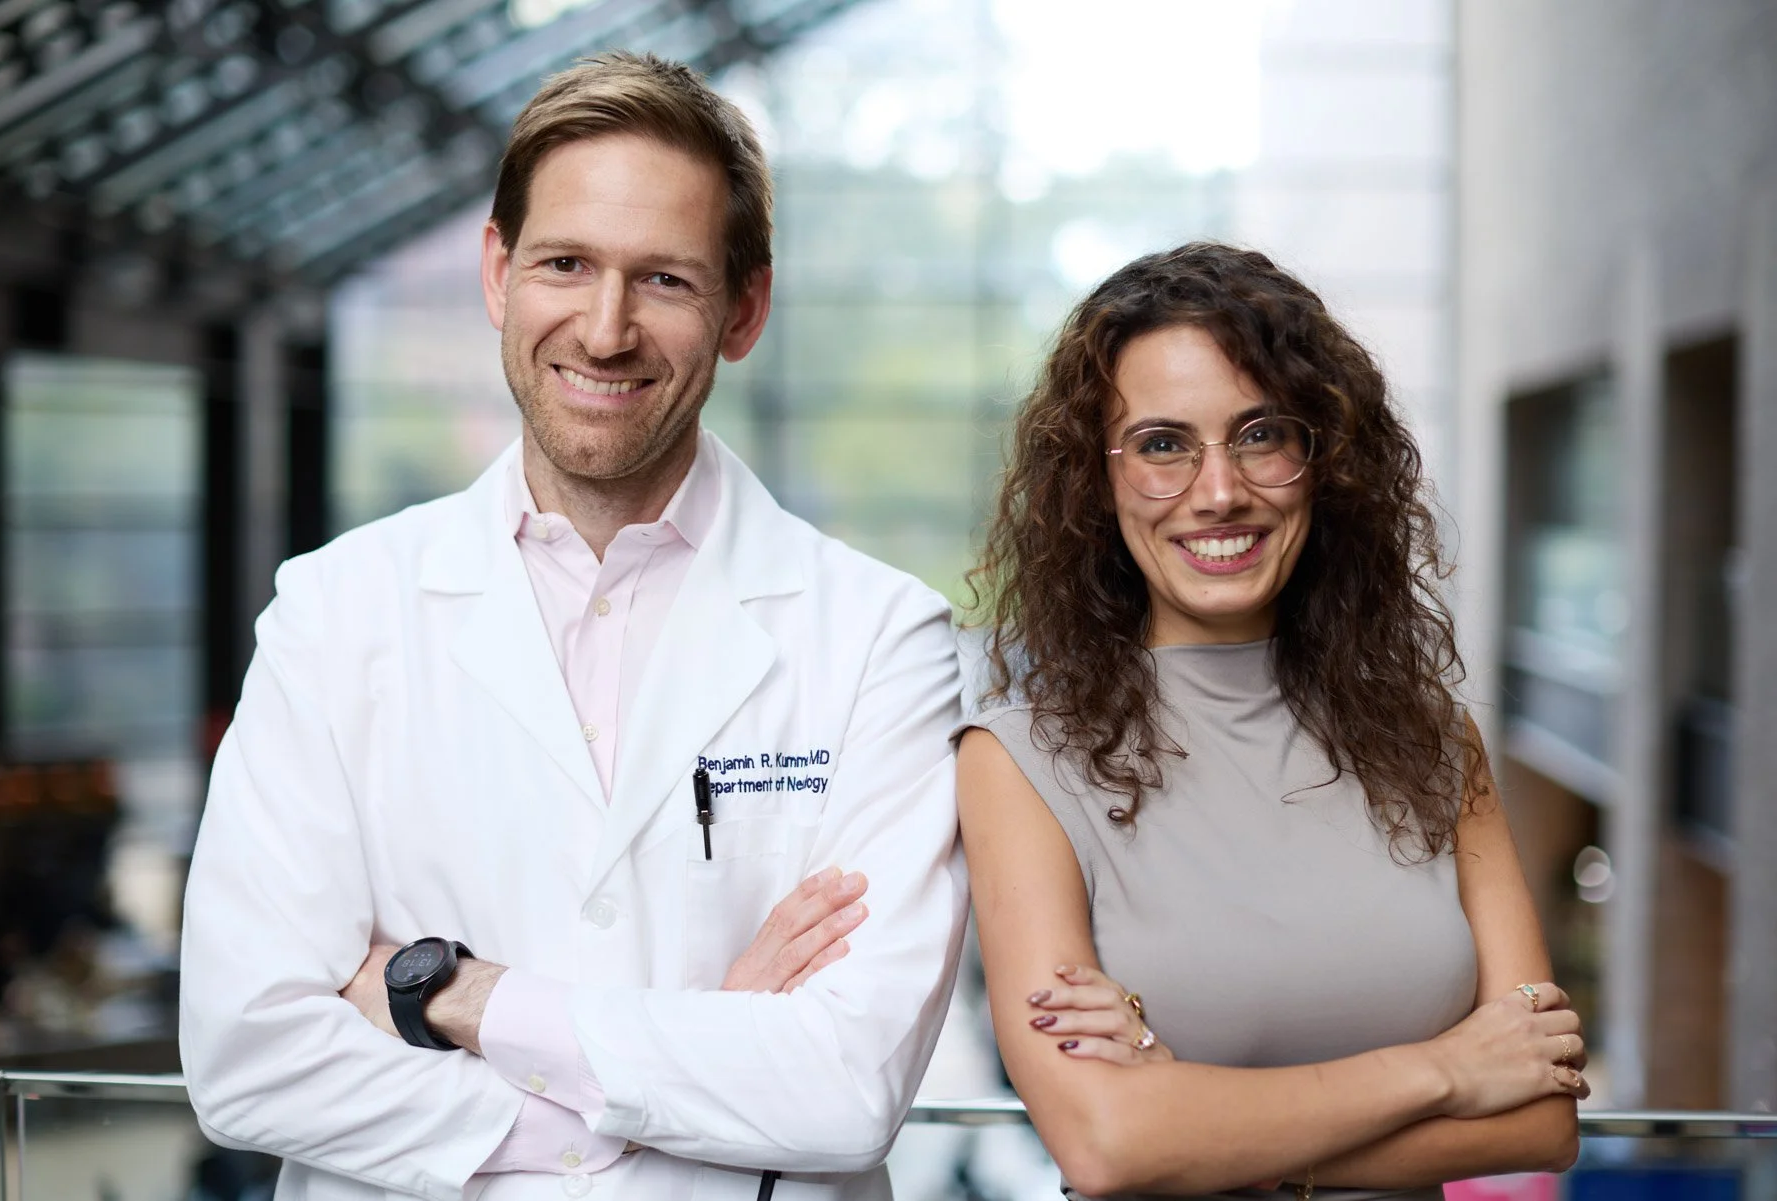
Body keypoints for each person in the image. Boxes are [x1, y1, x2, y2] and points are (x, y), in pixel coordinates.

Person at [179, 52, 967, 1201]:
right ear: (499, 273)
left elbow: (846, 1088)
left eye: (665, 281)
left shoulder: (880, 636)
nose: (605, 330)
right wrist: (678, 1078)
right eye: (565, 264)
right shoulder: (333, 613)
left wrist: (457, 995)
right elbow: (248, 1056)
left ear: (743, 309)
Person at [957, 242, 1588, 1201]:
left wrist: (1198, 1124)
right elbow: (1106, 1147)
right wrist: (1449, 1069)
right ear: (1096, 480)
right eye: (1163, 444)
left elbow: (1542, 1119)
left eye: (1261, 434)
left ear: (1323, 459)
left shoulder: (1431, 741)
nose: (1220, 492)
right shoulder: (1020, 761)